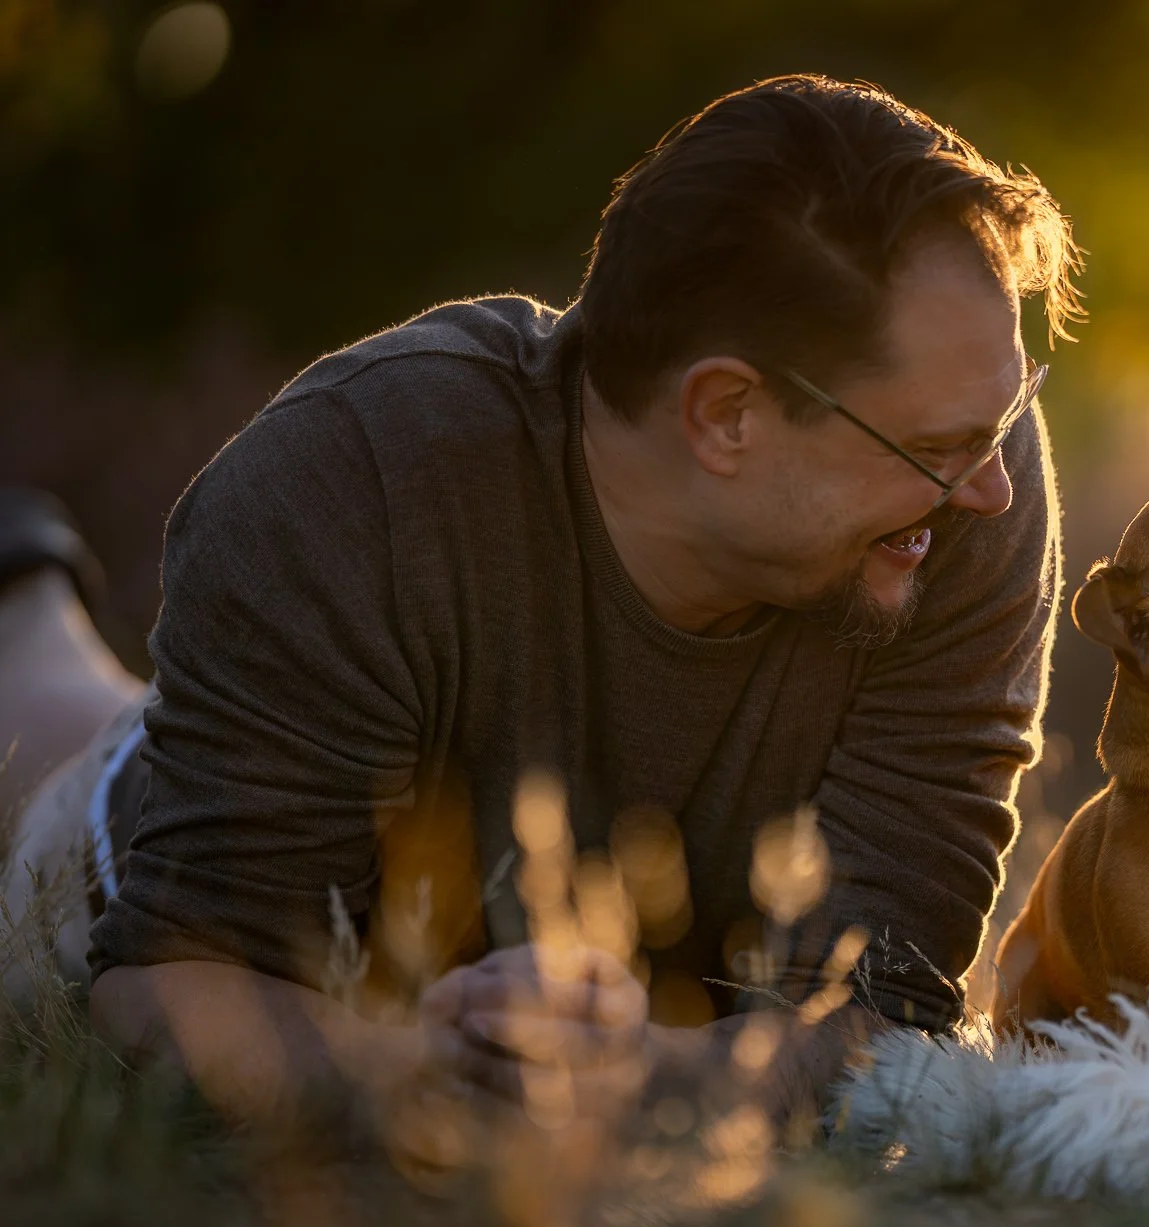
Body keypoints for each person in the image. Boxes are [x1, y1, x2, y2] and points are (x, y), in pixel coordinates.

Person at [0, 74, 1080, 1151]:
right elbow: (164, 983)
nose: (988, 485)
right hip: (149, 866)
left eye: (999, 421)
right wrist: (419, 1064)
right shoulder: (348, 482)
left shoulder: (960, 482)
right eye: (939, 451)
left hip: (623, 1009)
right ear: (725, 414)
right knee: (47, 731)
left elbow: (883, 1017)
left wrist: (633, 1072)